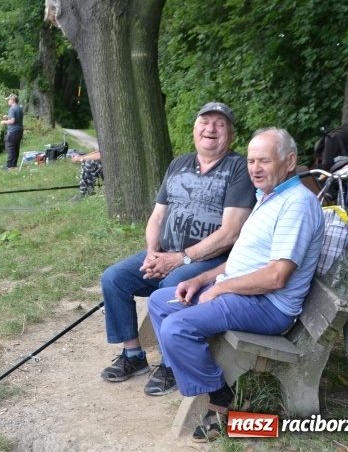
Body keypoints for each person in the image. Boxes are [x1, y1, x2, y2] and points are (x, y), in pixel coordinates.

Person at [147, 127, 325, 442]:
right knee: (160, 302)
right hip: (245, 293)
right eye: (251, 161)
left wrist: (220, 289)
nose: (255, 168)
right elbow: (242, 261)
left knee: (176, 328)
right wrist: (201, 278)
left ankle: (221, 400)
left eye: (264, 161)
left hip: (269, 306)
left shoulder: (297, 204)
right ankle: (192, 374)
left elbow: (276, 277)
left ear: (289, 161)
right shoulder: (268, 197)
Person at [99, 102, 256, 394]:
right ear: (194, 129)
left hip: (211, 260)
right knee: (114, 278)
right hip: (167, 252)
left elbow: (230, 233)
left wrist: (178, 259)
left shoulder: (239, 169)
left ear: (231, 134)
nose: (211, 129)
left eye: (220, 124)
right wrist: (152, 252)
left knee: (172, 284)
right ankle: (133, 355)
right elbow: (157, 216)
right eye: (205, 122)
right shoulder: (178, 164)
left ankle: (172, 365)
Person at [1, 94, 24, 170]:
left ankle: (9, 165)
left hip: (13, 132)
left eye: (9, 99)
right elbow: (16, 118)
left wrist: (4, 122)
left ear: (13, 100)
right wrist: (8, 117)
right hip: (19, 131)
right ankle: (14, 164)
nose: (8, 101)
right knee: (16, 147)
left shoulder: (12, 109)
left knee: (10, 147)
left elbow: (12, 121)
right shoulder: (19, 108)